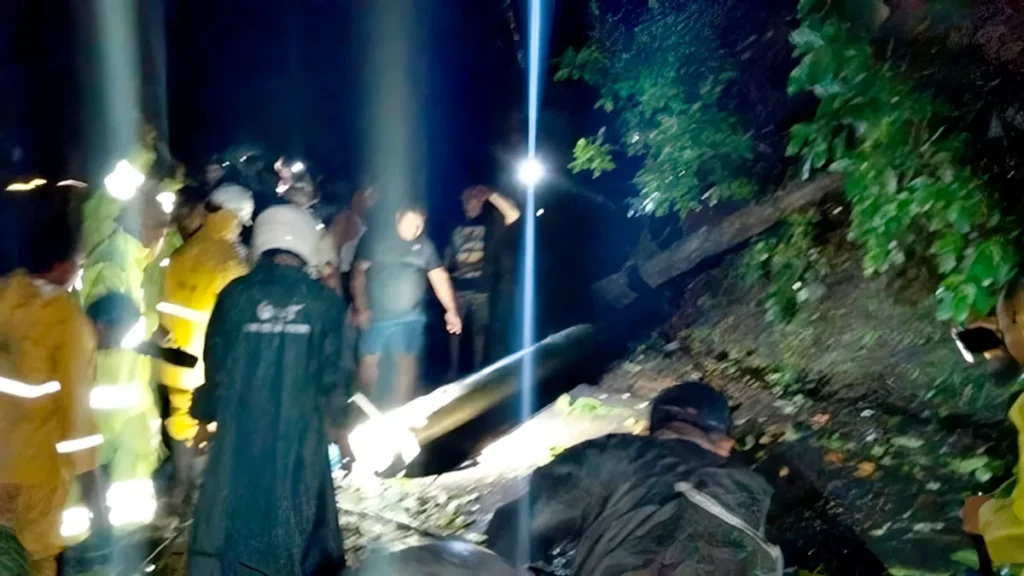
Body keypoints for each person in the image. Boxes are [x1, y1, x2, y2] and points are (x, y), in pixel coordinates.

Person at [188, 204, 347, 575]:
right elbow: (335, 375)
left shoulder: (235, 296)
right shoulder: (324, 303)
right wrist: (340, 430)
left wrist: (204, 419)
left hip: (242, 434)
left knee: (238, 513)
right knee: (299, 516)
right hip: (300, 437)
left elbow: (215, 363)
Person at [486, 381, 782, 576]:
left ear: (650, 429)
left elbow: (516, 530)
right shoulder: (755, 489)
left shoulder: (610, 454)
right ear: (725, 443)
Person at [0, 181, 100, 576]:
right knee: (37, 557)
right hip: (35, 471)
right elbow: (77, 418)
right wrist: (92, 488)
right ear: (63, 264)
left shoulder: (5, 294)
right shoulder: (68, 323)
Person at [159, 183, 253, 515]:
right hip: (207, 366)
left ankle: (179, 491)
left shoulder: (181, 252)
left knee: (179, 421)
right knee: (206, 425)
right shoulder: (232, 264)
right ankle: (198, 501)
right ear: (234, 218)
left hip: (173, 360)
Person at [351, 205, 462, 407]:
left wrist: (451, 311)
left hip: (411, 315)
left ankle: (401, 407)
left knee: (407, 362)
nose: (415, 229)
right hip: (378, 315)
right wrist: (361, 306)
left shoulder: (425, 246)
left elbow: (439, 276)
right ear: (397, 218)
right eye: (411, 223)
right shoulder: (375, 240)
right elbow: (358, 273)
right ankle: (364, 407)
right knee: (369, 361)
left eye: (420, 225)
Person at [446, 186, 520, 378]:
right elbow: (449, 253)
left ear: (481, 201)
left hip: (483, 287)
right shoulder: (455, 224)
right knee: (455, 332)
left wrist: (490, 194)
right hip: (458, 287)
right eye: (465, 200)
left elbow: (513, 214)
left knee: (481, 331)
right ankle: (453, 371)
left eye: (473, 199)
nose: (468, 204)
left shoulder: (492, 223)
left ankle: (480, 372)